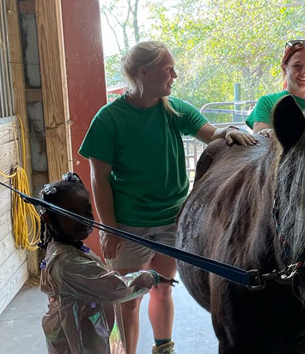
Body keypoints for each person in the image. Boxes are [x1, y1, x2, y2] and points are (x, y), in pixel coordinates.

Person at [79, 41, 256, 354]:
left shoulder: (174, 109)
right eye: (168, 69)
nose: (175, 75)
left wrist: (227, 131)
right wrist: (107, 228)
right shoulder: (109, 119)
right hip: (128, 226)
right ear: (144, 72)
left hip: (171, 221)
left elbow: (209, 133)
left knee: (162, 289)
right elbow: (99, 179)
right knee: (128, 301)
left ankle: (164, 348)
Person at [39, 172, 173, 354]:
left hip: (90, 329)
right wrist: (151, 277)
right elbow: (115, 288)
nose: (83, 219)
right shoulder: (67, 263)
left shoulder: (68, 247)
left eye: (86, 211)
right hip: (83, 340)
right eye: (71, 214)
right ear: (50, 219)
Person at [245, 39, 305, 136]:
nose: (304, 72)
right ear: (284, 68)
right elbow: (261, 141)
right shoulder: (267, 102)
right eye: (297, 66)